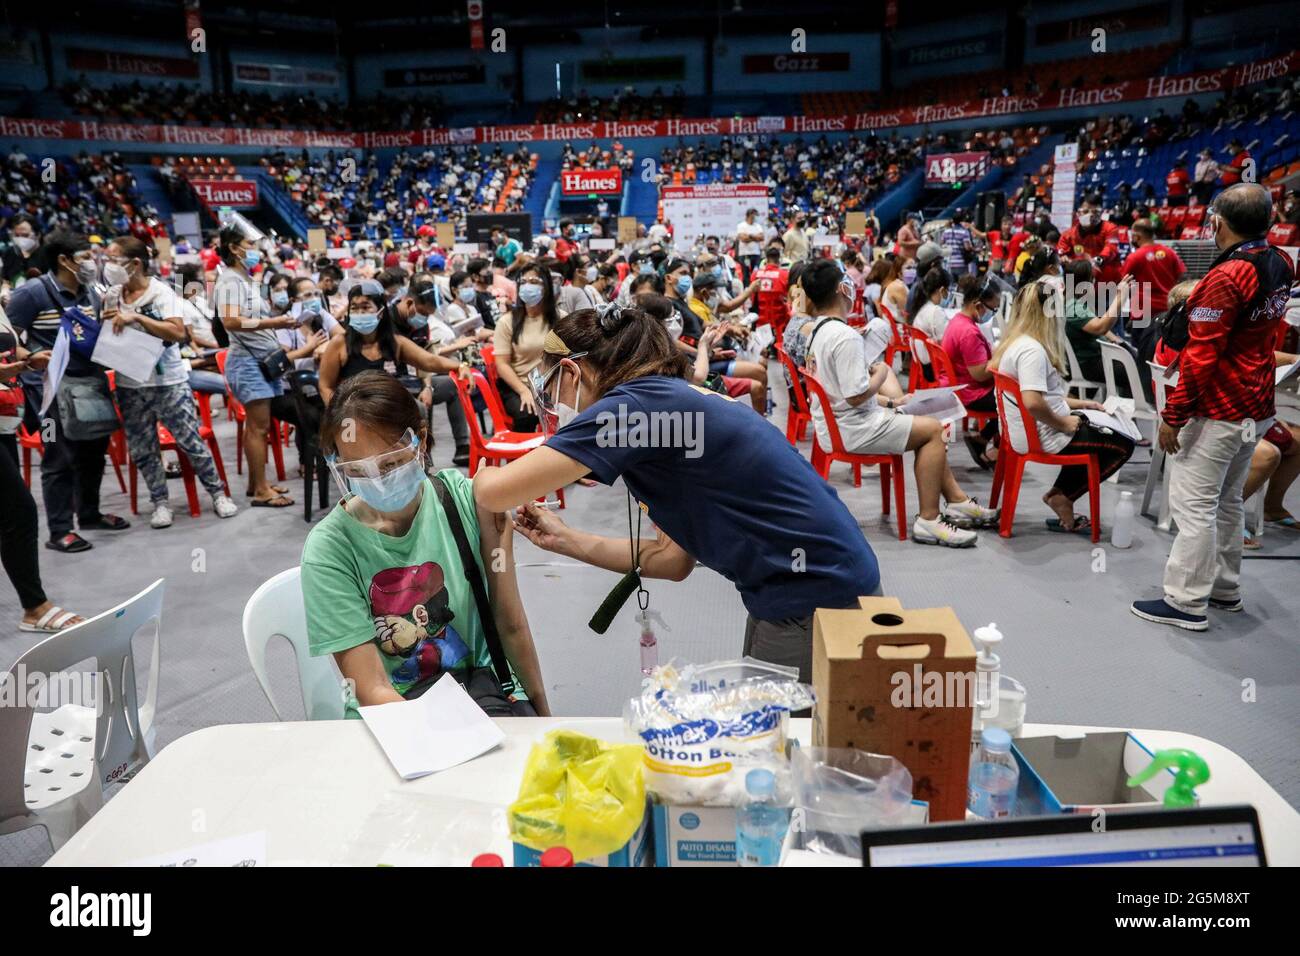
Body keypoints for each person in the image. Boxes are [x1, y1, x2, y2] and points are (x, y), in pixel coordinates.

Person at [470, 302, 882, 683]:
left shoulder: (633, 410)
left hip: (815, 594)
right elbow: (672, 560)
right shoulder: (662, 402)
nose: (555, 403)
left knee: (785, 740)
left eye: (553, 387)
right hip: (808, 582)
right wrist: (563, 539)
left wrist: (479, 475)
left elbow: (494, 493)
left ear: (573, 373)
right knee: (766, 728)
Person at [300, 372, 549, 714]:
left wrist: (545, 718)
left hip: (483, 694)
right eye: (357, 472)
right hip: (395, 715)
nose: (379, 482)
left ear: (419, 440)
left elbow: (511, 624)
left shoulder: (466, 503)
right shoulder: (329, 549)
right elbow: (372, 689)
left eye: (390, 464)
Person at [1132, 184, 1293, 631]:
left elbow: (1202, 356)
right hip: (1257, 405)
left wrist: (1174, 415)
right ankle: (1225, 589)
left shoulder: (1225, 277)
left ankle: (1185, 602)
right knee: (1226, 502)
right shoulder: (1282, 262)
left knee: (1196, 505)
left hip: (1220, 408)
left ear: (1218, 223)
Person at [800, 259, 998, 547]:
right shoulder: (843, 336)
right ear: (843, 288)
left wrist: (892, 404)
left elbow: (840, 391)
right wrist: (881, 373)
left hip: (841, 423)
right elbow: (855, 395)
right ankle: (929, 521)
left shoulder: (818, 330)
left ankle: (957, 501)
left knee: (925, 420)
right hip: (855, 428)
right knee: (933, 431)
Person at [100, 236, 238, 529]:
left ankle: (217, 493)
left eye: (114, 260)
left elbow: (177, 333)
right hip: (130, 382)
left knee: (190, 441)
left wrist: (134, 317)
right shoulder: (112, 294)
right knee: (143, 448)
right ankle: (160, 502)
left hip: (168, 382)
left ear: (135, 263)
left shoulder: (162, 293)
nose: (108, 266)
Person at [6, 228, 131, 552]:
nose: (92, 262)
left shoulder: (92, 292)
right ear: (64, 260)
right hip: (48, 393)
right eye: (85, 257)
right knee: (58, 458)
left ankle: (89, 514)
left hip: (90, 385)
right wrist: (31, 357)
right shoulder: (31, 293)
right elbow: (8, 344)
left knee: (93, 453)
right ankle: (59, 530)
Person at [990, 277, 1135, 535]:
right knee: (1122, 443)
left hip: (1031, 429)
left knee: (1097, 433)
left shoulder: (1015, 343)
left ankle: (1062, 493)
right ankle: (1064, 496)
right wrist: (1064, 422)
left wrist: (1083, 404)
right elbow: (1033, 402)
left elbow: (1043, 396)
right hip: (1045, 434)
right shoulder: (1032, 351)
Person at [1, 316, 84, 630]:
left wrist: (28, 358)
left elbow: (11, 347)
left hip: (6, 420)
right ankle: (35, 607)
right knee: (19, 511)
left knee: (12, 513)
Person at [212, 223, 302, 509]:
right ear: (234, 248)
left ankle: (256, 483)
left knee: (258, 426)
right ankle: (262, 490)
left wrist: (278, 314)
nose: (255, 251)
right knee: (258, 428)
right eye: (250, 246)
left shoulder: (244, 279)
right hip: (247, 363)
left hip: (260, 360)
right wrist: (274, 322)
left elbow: (249, 318)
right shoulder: (229, 280)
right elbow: (231, 322)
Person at [317, 279, 457, 406]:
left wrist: (461, 366)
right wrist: (339, 412)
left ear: (381, 312)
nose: (359, 313)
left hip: (389, 409)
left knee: (416, 410)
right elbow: (325, 386)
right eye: (354, 308)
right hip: (354, 413)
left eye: (365, 307)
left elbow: (430, 361)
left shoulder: (396, 342)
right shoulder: (339, 343)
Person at [942, 273, 1003, 469]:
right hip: (969, 392)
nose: (992, 314)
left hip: (960, 384)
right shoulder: (969, 332)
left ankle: (982, 439)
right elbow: (979, 374)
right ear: (978, 305)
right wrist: (1002, 358)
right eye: (992, 309)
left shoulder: (958, 321)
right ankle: (991, 447)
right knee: (1016, 401)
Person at [493, 262, 559, 432]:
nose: (528, 286)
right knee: (527, 413)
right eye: (524, 282)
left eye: (534, 281)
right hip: (520, 385)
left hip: (553, 387)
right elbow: (502, 365)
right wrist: (524, 391)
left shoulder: (560, 319)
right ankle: (526, 457)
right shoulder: (507, 322)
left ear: (546, 287)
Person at [1061, 259, 1135, 392]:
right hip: (1086, 364)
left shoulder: (1075, 300)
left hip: (1090, 357)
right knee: (1132, 369)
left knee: (1130, 353)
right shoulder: (1073, 307)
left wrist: (1118, 341)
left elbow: (1096, 325)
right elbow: (1100, 327)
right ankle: (1133, 408)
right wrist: (1120, 297)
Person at [1057, 194, 1123, 285]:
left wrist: (1097, 261)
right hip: (1079, 286)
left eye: (1095, 211)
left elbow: (1111, 248)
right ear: (1078, 213)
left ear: (1102, 213)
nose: (1091, 215)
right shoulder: (1068, 235)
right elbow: (1062, 253)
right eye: (1086, 211)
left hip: (1107, 285)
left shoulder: (1111, 229)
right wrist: (1063, 258)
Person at [752, 245, 791, 335]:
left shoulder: (755, 275)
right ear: (779, 259)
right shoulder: (784, 275)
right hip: (779, 326)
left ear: (766, 259)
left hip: (759, 324)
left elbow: (752, 298)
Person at [911, 268, 954, 344]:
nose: (949, 294)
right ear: (942, 290)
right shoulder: (936, 312)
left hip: (922, 355)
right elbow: (948, 341)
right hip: (931, 355)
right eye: (948, 290)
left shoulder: (923, 307)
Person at [2, 214, 42, 286]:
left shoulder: (47, 257)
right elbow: (5, 279)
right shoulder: (8, 253)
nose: (20, 239)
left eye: (25, 235)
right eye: (17, 235)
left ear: (38, 235)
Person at [735, 208, 764, 283]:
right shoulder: (741, 225)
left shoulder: (758, 226)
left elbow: (761, 237)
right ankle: (747, 289)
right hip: (745, 254)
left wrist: (750, 236)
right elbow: (743, 239)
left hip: (756, 253)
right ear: (749, 215)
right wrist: (755, 237)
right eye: (754, 215)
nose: (755, 217)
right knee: (746, 274)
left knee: (756, 273)